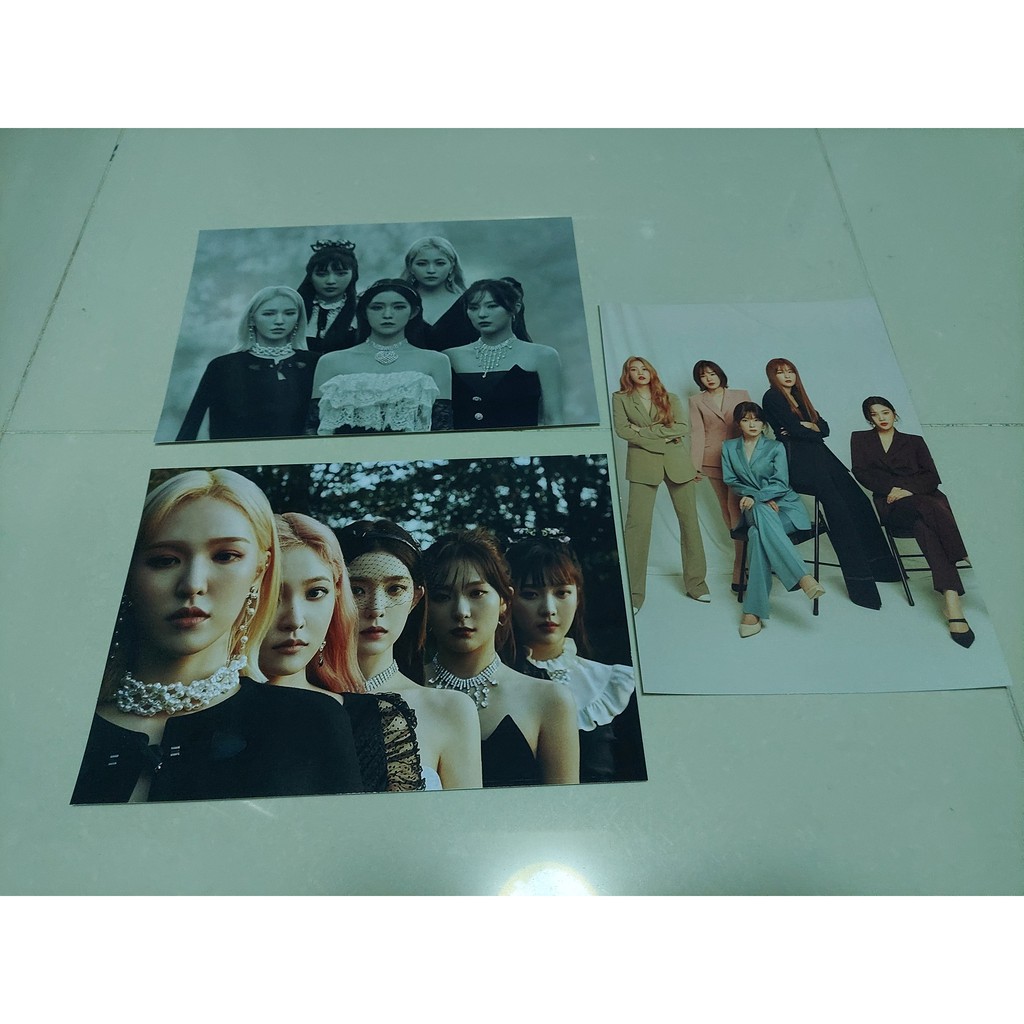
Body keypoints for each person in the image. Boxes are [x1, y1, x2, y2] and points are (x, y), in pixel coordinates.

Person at [71, 470, 364, 804]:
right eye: (165, 560)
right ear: (129, 571)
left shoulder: (310, 722)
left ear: (260, 570)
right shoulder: (61, 724)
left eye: (225, 556)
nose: (193, 584)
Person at [258, 513, 424, 792]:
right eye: (273, 594)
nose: (295, 619)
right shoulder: (198, 710)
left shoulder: (372, 720)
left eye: (315, 593)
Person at [422, 528, 579, 788]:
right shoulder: (406, 691)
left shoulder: (550, 700)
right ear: (425, 606)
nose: (461, 611)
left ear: (504, 601)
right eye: (442, 597)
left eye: (476, 593)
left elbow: (566, 806)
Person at [337, 519, 482, 790]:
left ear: (415, 598)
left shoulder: (450, 710)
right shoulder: (300, 699)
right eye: (357, 589)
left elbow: (466, 816)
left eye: (394, 589)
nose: (376, 608)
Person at [761, 358, 898, 609]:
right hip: (800, 462)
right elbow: (795, 431)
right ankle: (862, 588)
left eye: (791, 371)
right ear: (773, 376)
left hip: (823, 457)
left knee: (859, 501)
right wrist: (807, 428)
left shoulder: (800, 397)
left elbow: (824, 429)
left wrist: (809, 427)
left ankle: (883, 570)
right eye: (781, 372)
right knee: (839, 512)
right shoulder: (772, 397)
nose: (788, 376)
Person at [505, 533, 640, 783]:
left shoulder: (614, 685)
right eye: (531, 594)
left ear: (577, 596)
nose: (548, 609)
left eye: (562, 593)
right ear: (508, 600)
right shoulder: (491, 682)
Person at [851, 396, 973, 647]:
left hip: (923, 500)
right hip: (892, 503)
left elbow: (933, 475)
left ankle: (952, 602)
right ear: (869, 418)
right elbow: (861, 472)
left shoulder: (914, 441)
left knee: (924, 526)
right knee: (927, 506)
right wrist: (895, 490)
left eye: (885, 412)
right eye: (875, 414)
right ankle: (963, 552)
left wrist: (907, 489)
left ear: (894, 413)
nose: (881, 418)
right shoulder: (860, 439)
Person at [611, 356, 709, 611]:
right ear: (628, 374)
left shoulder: (669, 397)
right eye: (634, 369)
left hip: (677, 463)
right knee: (637, 526)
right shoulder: (620, 399)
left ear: (651, 371)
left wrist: (643, 432)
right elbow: (622, 431)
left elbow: (682, 427)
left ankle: (697, 585)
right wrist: (662, 435)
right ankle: (633, 595)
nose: (640, 373)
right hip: (642, 465)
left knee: (690, 523)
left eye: (644, 368)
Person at [721, 403, 826, 637]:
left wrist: (759, 496)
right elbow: (731, 480)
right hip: (753, 506)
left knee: (756, 534)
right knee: (761, 511)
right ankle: (803, 577)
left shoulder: (775, 447)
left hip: (785, 507)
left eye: (756, 420)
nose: (752, 424)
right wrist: (755, 497)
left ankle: (752, 612)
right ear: (738, 423)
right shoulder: (728, 447)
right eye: (746, 420)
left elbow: (781, 482)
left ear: (763, 423)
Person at [310, 279, 452, 434]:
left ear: (413, 312)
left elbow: (442, 429)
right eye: (377, 307)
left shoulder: (436, 362)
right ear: (364, 312)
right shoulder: (331, 362)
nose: (387, 315)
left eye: (399, 307)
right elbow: (312, 428)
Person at [176, 287, 317, 441]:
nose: (279, 321)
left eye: (289, 313)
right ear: (251, 319)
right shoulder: (223, 366)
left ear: (298, 318)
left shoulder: (316, 363)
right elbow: (192, 425)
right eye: (269, 314)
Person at [446, 279, 564, 428]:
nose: (482, 314)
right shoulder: (450, 357)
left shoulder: (543, 356)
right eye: (474, 308)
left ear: (515, 308)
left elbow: (554, 420)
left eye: (492, 306)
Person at [688, 359, 753, 590]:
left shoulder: (741, 394)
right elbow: (697, 433)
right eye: (703, 375)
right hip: (713, 459)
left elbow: (753, 423)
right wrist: (694, 466)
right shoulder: (696, 401)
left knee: (735, 507)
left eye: (712, 373)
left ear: (720, 374)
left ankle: (740, 564)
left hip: (740, 457)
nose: (709, 378)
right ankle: (742, 559)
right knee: (726, 508)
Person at [400, 235, 475, 352]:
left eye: (440, 263)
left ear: (452, 267)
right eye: (422, 264)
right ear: (410, 267)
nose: (431, 270)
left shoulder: (469, 303)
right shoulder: (396, 303)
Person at [296, 238, 359, 354]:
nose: (330, 281)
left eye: (341, 274)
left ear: (353, 275)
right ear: (310, 276)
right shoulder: (295, 308)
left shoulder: (361, 311)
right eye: (321, 274)